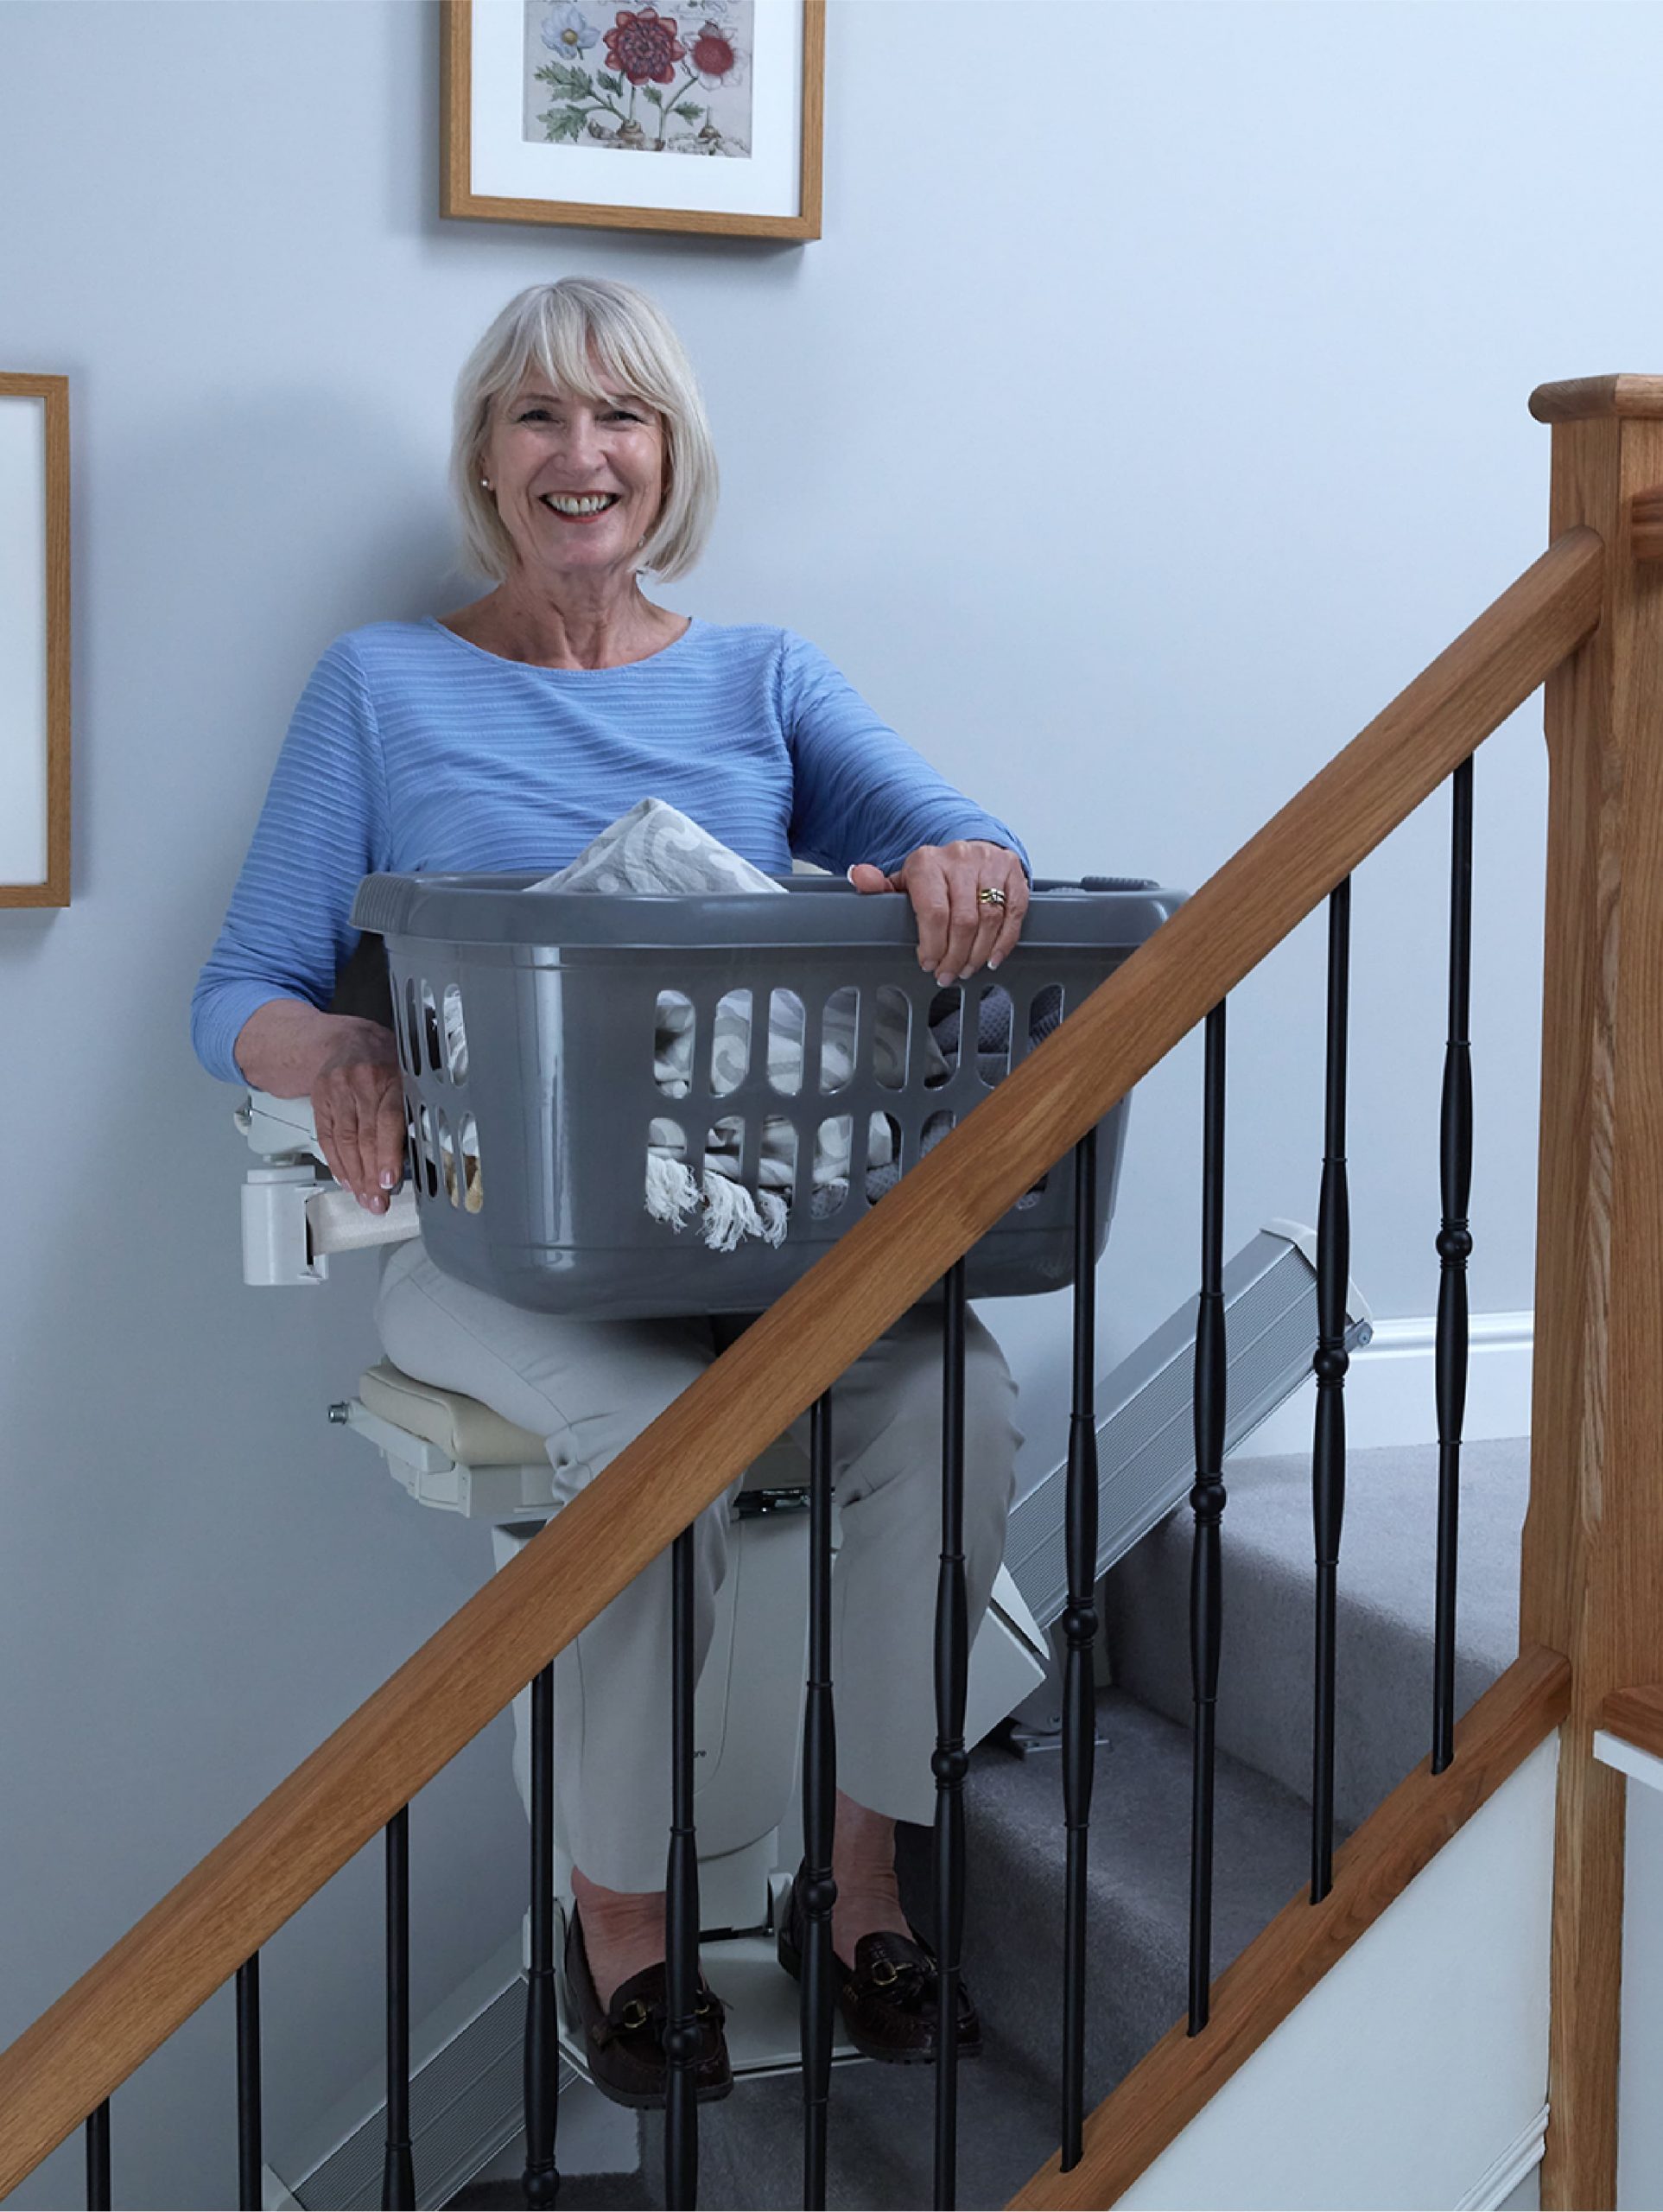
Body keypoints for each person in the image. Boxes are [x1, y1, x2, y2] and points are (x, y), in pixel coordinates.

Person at [192, 276, 1031, 2107]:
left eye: (622, 417)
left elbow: (958, 838)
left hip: (742, 1224)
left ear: (673, 454)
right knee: (669, 1436)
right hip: (500, 1249)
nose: (584, 457)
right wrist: (333, 1053)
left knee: (960, 1391)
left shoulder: (765, 677)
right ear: (487, 461)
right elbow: (236, 984)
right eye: (539, 418)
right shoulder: (384, 684)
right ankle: (622, 1922)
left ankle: (858, 1877)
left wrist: (962, 854)